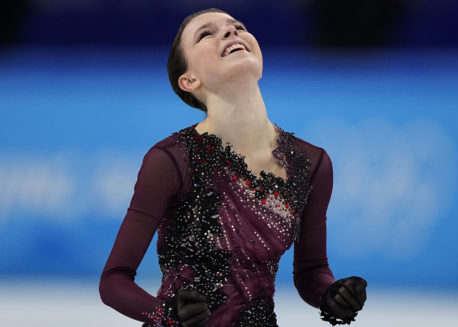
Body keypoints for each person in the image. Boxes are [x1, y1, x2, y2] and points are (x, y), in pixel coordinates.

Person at [99, 8, 367, 327]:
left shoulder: (311, 164)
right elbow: (114, 281)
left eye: (237, 26)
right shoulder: (172, 160)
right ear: (189, 80)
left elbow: (311, 272)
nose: (231, 32)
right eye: (206, 34)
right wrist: (166, 315)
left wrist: (331, 295)